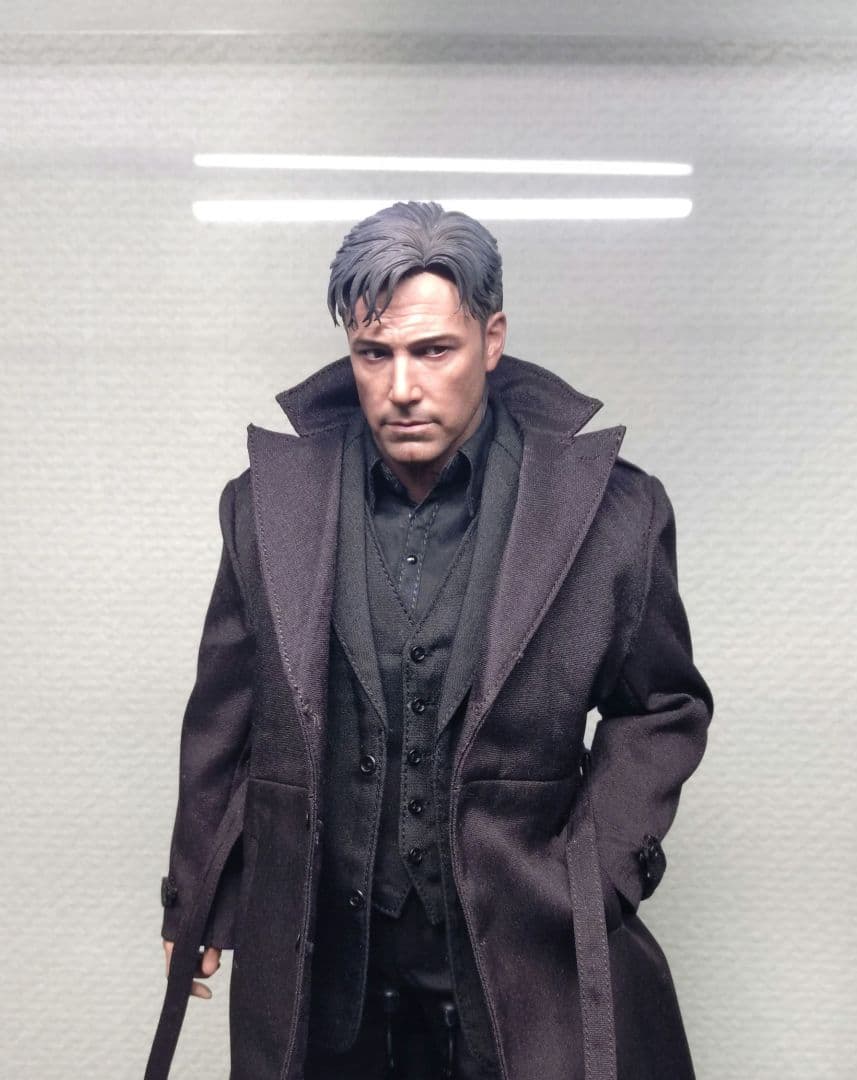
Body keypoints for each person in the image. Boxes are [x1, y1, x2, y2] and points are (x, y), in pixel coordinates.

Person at [146, 201, 714, 1080]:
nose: (401, 386)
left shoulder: (608, 511)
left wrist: (596, 871)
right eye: (373, 354)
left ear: (491, 339)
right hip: (323, 961)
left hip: (518, 954)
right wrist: (201, 895)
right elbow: (228, 713)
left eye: (433, 351)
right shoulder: (266, 506)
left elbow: (663, 707)